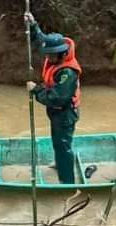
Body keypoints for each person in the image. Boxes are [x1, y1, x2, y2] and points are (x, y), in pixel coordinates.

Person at [24, 12, 81, 184]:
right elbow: (41, 39)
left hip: (65, 112)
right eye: (47, 54)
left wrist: (36, 90)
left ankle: (67, 181)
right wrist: (33, 25)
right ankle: (59, 164)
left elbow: (57, 98)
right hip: (56, 112)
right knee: (57, 141)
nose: (47, 57)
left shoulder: (67, 72)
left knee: (63, 145)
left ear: (62, 54)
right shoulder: (55, 56)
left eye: (51, 55)